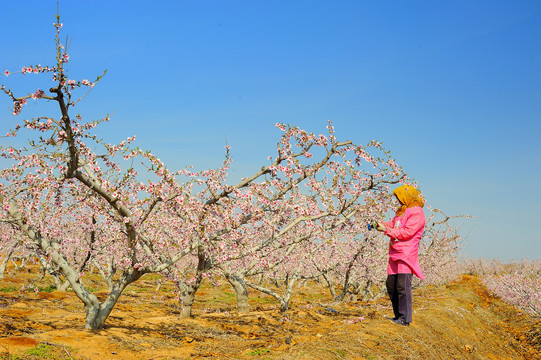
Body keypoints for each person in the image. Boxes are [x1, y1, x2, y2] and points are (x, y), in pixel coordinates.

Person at [376, 184, 425, 326]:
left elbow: (407, 232)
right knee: (391, 285)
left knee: (402, 286)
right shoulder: (402, 211)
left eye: (400, 197)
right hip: (395, 252)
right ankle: (397, 316)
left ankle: (404, 318)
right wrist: (379, 224)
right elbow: (393, 224)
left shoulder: (417, 212)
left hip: (406, 253)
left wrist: (386, 230)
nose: (398, 200)